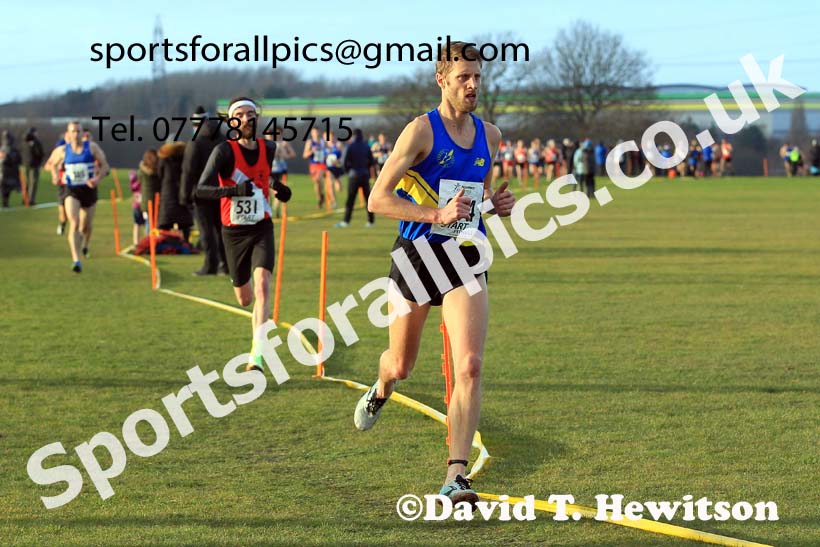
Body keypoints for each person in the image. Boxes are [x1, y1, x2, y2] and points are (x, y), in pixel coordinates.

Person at [353, 41, 515, 505]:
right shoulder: (419, 132)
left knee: (470, 365)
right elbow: (377, 200)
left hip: (466, 255)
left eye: (478, 77)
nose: (473, 85)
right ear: (441, 79)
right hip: (417, 254)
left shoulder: (492, 135)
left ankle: (455, 476)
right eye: (464, 77)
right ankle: (381, 388)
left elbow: (476, 200)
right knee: (401, 364)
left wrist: (496, 206)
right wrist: (434, 214)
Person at [195, 96, 292, 372]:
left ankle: (257, 356)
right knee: (245, 298)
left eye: (252, 113)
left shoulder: (268, 147)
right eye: (242, 114)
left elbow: (262, 176)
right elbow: (200, 190)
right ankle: (256, 349)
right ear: (232, 121)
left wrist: (278, 189)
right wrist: (232, 191)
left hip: (261, 225)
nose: (249, 118)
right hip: (234, 231)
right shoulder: (223, 152)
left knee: (262, 286)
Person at [44, 121, 110, 272]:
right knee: (74, 221)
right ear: (68, 133)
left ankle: (84, 245)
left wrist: (96, 179)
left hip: (88, 189)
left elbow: (105, 165)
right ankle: (76, 259)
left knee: (85, 225)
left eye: (78, 131)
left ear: (82, 133)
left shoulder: (92, 148)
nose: (76, 134)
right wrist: (55, 175)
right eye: (73, 131)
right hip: (71, 190)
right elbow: (51, 164)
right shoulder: (62, 150)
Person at [181, 106, 228, 275]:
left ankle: (210, 265)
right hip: (223, 191)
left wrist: (184, 196)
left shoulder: (196, 142)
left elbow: (188, 171)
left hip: (201, 193)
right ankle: (227, 265)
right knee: (222, 230)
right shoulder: (223, 139)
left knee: (206, 231)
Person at [335, 128, 375, 228]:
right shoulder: (366, 146)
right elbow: (372, 161)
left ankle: (346, 221)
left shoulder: (350, 146)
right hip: (365, 175)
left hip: (353, 175)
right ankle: (370, 221)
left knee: (350, 199)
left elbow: (344, 162)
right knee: (367, 199)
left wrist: (348, 171)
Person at [157, 141, 192, 241]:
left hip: (168, 192)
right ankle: (185, 241)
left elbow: (160, 174)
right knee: (184, 221)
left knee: (166, 220)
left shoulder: (164, 159)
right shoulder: (185, 158)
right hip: (182, 190)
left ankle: (165, 242)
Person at [265, 127, 296, 219]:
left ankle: (278, 209)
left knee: (281, 189)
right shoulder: (267, 144)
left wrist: (283, 154)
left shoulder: (283, 144)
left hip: (281, 169)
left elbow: (292, 155)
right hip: (271, 170)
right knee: (271, 191)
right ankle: (272, 209)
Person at [303, 127, 332, 209]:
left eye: (316, 132)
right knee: (316, 182)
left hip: (322, 164)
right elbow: (304, 155)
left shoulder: (323, 142)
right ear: (311, 133)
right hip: (313, 165)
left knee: (318, 178)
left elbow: (329, 150)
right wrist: (312, 151)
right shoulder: (309, 142)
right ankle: (320, 197)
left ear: (318, 132)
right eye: (313, 132)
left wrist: (328, 154)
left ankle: (323, 199)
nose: (315, 134)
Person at [22, 127, 44, 206]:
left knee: (27, 183)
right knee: (33, 183)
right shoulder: (36, 142)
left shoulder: (25, 141)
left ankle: (25, 199)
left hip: (26, 164)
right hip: (34, 165)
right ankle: (31, 200)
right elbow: (40, 153)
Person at [0, 131, 22, 208]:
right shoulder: (10, 149)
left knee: (5, 187)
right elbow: (17, 159)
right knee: (6, 187)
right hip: (8, 170)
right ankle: (5, 203)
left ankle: (5, 203)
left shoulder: (3, 148)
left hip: (5, 170)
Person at [129, 169, 145, 246]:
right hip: (139, 207)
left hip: (140, 206)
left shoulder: (136, 185)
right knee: (138, 224)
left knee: (140, 224)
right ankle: (137, 241)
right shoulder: (137, 184)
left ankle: (139, 241)